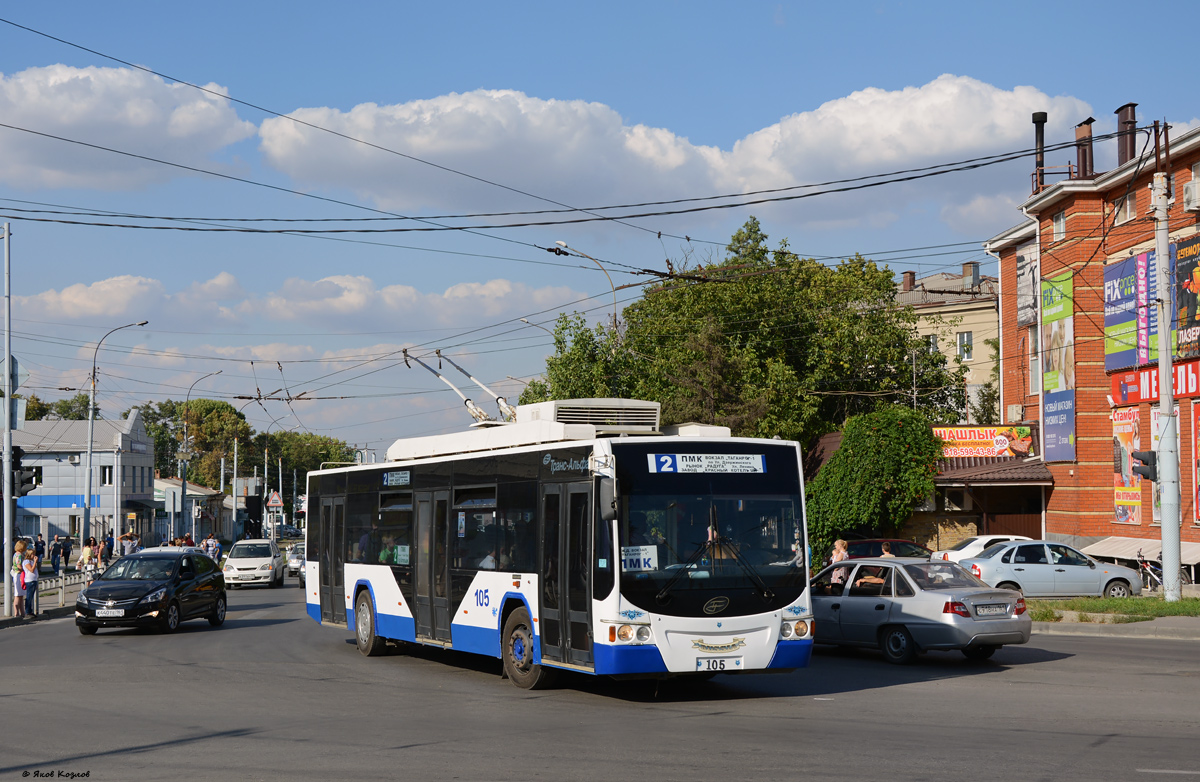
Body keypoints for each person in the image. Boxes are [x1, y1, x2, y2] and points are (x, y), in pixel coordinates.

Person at [11, 539, 27, 618]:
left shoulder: (16, 554)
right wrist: (25, 570)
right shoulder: (19, 555)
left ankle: (22, 612)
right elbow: (19, 566)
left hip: (17, 574)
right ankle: (17, 613)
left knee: (20, 595)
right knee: (18, 595)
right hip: (19, 575)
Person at [22, 549, 39, 618]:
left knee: (31, 596)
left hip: (34, 580)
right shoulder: (26, 561)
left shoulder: (31, 561)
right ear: (29, 554)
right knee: (29, 597)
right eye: (32, 554)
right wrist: (35, 562)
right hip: (30, 581)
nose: (34, 555)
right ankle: (27, 611)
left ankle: (30, 611)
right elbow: (31, 570)